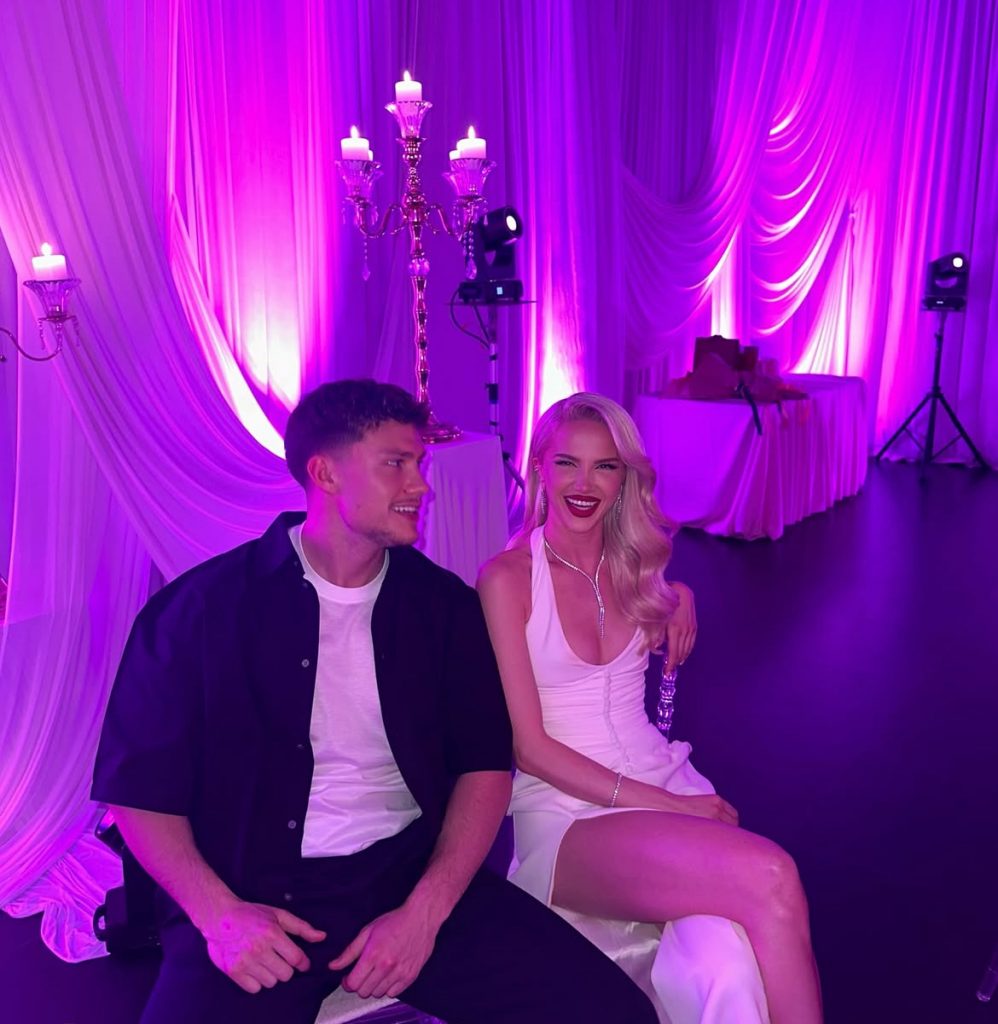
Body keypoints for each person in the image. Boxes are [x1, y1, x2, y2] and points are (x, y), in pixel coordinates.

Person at [91, 380, 658, 1024]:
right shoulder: (201, 611)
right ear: (325, 473)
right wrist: (219, 915)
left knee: (614, 1014)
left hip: (406, 877)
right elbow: (138, 790)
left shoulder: (443, 609)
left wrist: (425, 911)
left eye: (419, 463)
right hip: (255, 898)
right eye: (396, 463)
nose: (421, 486)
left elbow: (484, 769)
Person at [477, 392, 823, 1024]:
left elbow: (658, 601)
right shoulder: (506, 579)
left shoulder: (635, 565)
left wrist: (679, 592)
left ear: (625, 478)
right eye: (567, 463)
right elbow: (530, 749)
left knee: (727, 965)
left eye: (605, 466)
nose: (584, 484)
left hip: (661, 776)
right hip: (566, 813)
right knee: (772, 875)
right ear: (539, 468)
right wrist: (671, 806)